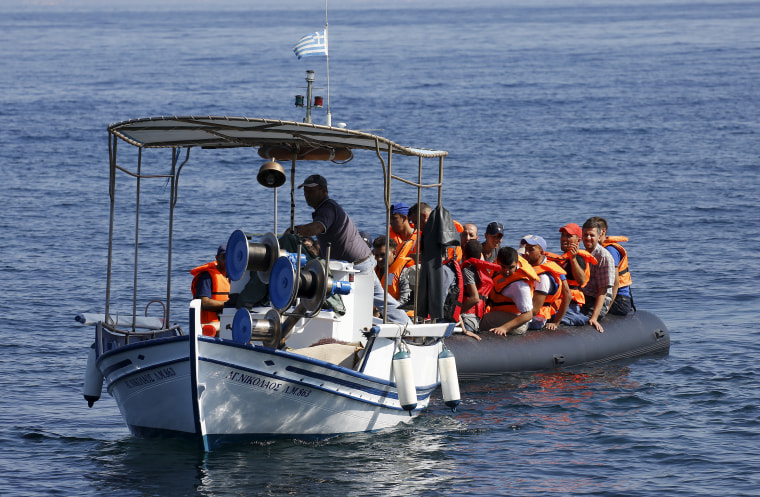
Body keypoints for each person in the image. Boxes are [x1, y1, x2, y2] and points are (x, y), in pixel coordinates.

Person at [290, 174, 410, 324]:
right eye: (305, 191)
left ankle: (409, 329)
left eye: (311, 191)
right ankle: (406, 326)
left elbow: (317, 228)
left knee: (380, 300)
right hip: (355, 262)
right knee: (378, 300)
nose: (307, 195)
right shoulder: (324, 209)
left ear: (324, 190)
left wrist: (297, 230)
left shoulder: (327, 208)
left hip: (358, 264)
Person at [546, 223, 598, 326]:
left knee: (553, 317)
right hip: (557, 301)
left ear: (578, 240)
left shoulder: (579, 258)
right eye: (563, 235)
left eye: (568, 236)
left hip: (570, 305)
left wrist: (573, 259)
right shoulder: (562, 259)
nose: (564, 239)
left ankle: (581, 319)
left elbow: (581, 280)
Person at [481, 246, 539, 336]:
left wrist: (504, 328)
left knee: (481, 321)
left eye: (511, 267)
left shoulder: (519, 285)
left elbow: (528, 315)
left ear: (516, 263)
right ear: (497, 262)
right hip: (503, 314)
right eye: (503, 267)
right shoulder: (499, 267)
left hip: (518, 324)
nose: (506, 271)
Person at [520, 235, 570, 331]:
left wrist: (556, 322)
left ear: (541, 252)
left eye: (531, 250)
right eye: (526, 249)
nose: (526, 253)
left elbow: (534, 311)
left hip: (536, 319)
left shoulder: (542, 277)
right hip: (528, 313)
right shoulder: (532, 267)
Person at [590, 216, 634, 316]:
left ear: (603, 232)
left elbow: (615, 282)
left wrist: (606, 309)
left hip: (619, 300)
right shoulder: (599, 249)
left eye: (593, 233)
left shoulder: (610, 251)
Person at [459, 240, 501, 339]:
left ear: (464, 254)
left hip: (467, 318)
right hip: (478, 317)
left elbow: (475, 298)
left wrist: (455, 314)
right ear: (480, 255)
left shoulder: (467, 270)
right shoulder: (482, 269)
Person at [581, 217, 615, 333]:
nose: (588, 238)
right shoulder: (582, 254)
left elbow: (603, 291)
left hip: (596, 300)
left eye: (592, 235)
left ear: (599, 236)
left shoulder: (603, 257)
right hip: (583, 297)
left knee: (580, 320)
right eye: (585, 235)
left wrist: (594, 317)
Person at [190, 243, 230, 337]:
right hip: (210, 328)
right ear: (217, 258)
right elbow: (204, 303)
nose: (228, 261)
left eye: (231, 257)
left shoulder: (237, 277)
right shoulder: (207, 276)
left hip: (229, 322)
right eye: (224, 257)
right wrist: (229, 304)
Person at [371, 235, 414, 302]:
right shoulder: (373, 270)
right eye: (376, 255)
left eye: (383, 255)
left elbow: (405, 302)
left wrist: (381, 311)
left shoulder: (405, 273)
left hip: (395, 311)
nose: (379, 259)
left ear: (394, 253)